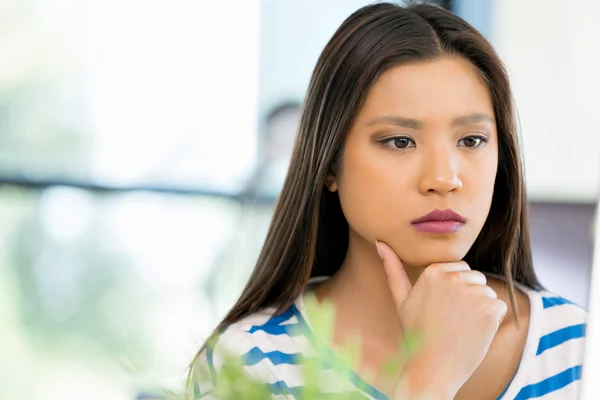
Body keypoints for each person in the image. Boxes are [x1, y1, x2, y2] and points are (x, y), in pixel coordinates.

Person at [187, 2, 587, 399]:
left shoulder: (579, 351)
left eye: (471, 140)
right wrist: (427, 379)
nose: (443, 179)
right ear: (329, 164)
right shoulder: (249, 364)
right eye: (399, 141)